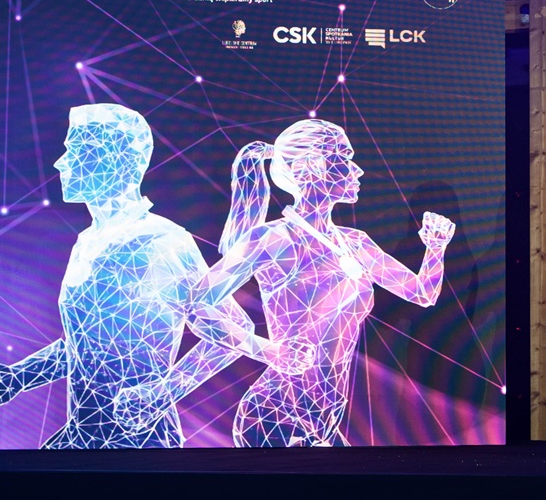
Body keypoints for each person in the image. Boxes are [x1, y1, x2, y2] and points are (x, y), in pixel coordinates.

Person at [0, 103, 304, 448]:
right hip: (84, 436)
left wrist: (163, 392)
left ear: (116, 161)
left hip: (140, 443)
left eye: (76, 149)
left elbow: (233, 329)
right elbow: (91, 345)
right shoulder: (87, 241)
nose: (61, 162)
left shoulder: (160, 240)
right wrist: (17, 377)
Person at [120, 118, 453, 447]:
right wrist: (268, 350)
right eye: (345, 158)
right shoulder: (271, 239)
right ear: (314, 165)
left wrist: (435, 248)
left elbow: (422, 293)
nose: (358, 170)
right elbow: (196, 307)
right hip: (277, 415)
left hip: (324, 419)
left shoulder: (356, 242)